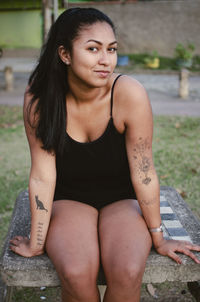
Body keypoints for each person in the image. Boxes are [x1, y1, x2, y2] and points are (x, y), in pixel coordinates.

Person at [10, 7, 200, 302]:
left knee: (125, 270)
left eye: (111, 49)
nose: (105, 60)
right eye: (92, 49)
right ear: (65, 54)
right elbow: (42, 174)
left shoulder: (128, 93)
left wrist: (159, 237)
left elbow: (144, 171)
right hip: (68, 198)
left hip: (121, 199)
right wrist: (37, 243)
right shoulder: (40, 98)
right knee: (74, 271)